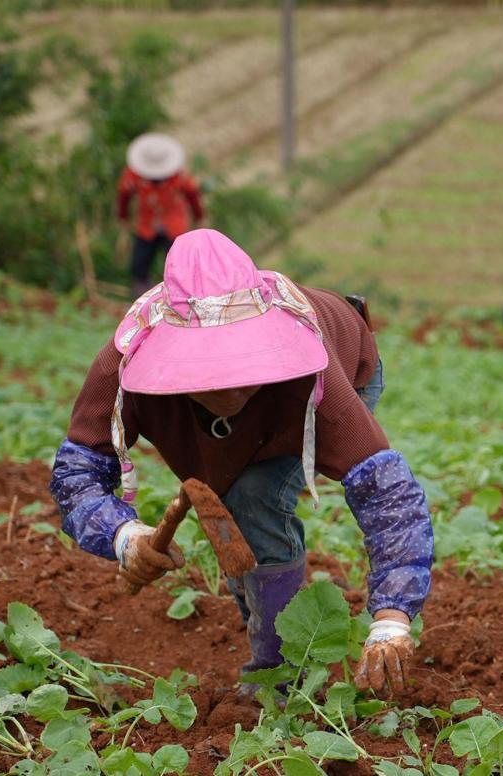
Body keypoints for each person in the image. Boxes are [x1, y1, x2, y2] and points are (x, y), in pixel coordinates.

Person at [48, 229, 433, 694]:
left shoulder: (313, 368)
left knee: (253, 497)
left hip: (339, 371)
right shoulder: (124, 363)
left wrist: (391, 619)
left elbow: (387, 495)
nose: (228, 390)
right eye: (207, 373)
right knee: (232, 500)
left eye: (240, 367)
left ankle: (278, 674)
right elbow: (78, 473)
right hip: (211, 430)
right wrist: (124, 536)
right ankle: (269, 619)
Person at [118, 133, 206, 296]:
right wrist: (123, 218)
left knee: (179, 264)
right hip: (147, 224)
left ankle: (184, 295)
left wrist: (199, 218)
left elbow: (193, 195)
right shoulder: (133, 176)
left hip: (174, 224)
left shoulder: (178, 176)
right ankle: (144, 297)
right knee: (139, 264)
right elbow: (124, 195)